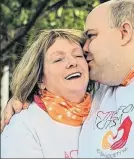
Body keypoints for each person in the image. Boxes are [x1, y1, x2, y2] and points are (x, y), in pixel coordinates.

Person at [1, 0, 134, 158]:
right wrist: (23, 98)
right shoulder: (104, 88)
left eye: (91, 36)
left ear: (124, 32)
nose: (85, 48)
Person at [1, 29, 93, 158]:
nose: (73, 62)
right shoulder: (24, 125)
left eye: (78, 55)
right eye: (58, 59)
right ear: (39, 79)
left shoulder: (105, 105)